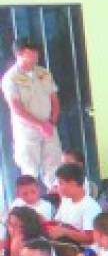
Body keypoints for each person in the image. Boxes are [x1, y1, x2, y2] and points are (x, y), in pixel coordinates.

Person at [2, 39, 62, 189]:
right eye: (31, 52)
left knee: (54, 168)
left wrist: (52, 121)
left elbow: (54, 98)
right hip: (27, 132)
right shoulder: (10, 78)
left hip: (49, 127)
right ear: (19, 54)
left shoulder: (43, 72)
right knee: (29, 172)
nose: (36, 55)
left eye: (36, 52)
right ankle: (31, 206)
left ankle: (55, 200)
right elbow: (16, 108)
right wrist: (40, 125)